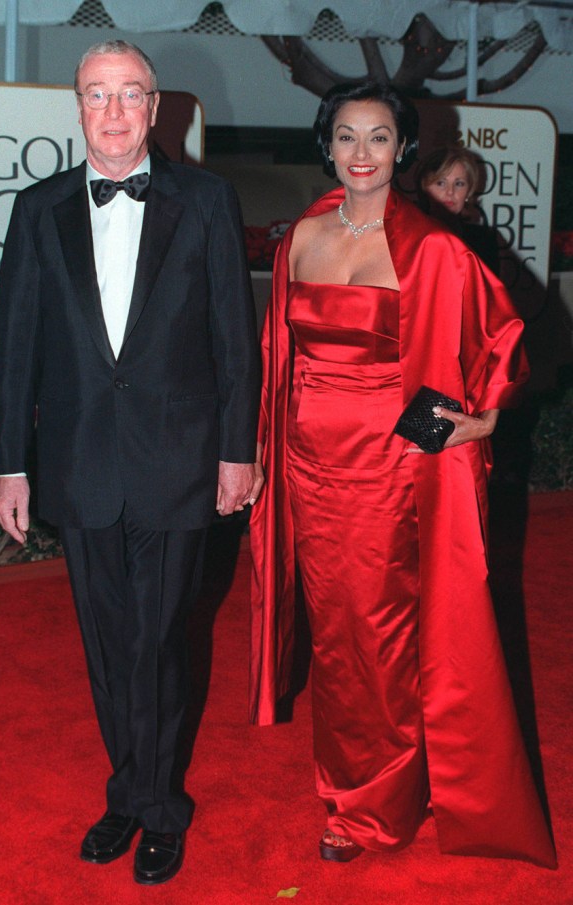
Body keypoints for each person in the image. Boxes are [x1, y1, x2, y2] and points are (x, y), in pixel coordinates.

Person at [248, 82, 556, 869]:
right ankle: (362, 780)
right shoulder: (301, 236)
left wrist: (485, 418)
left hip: (388, 471)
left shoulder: (430, 246)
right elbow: (278, 358)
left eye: (379, 137)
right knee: (336, 641)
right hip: (308, 468)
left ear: (403, 150)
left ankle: (371, 806)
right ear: (327, 146)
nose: (362, 153)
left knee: (379, 639)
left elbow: (504, 338)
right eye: (347, 136)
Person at [0, 40, 260, 886]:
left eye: (129, 93)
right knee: (108, 645)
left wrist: (237, 451)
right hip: (79, 465)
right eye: (97, 94)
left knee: (159, 640)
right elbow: (17, 348)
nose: (113, 111)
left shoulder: (207, 201)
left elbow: (235, 342)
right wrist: (11, 465)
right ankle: (129, 790)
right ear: (77, 107)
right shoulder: (38, 210)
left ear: (155, 106)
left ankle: (159, 808)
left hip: (179, 462)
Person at [416, 145, 501, 274]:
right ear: (424, 187)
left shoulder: (484, 241)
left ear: (468, 191)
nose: (450, 192)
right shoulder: (406, 237)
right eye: (441, 183)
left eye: (459, 184)